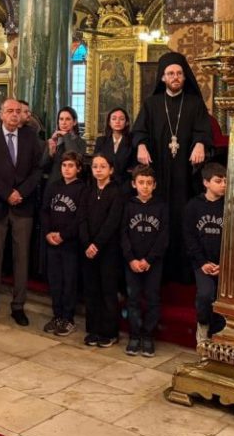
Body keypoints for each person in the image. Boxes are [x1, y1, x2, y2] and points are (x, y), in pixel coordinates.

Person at [131, 51, 212, 281]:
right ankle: (158, 269)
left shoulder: (195, 103)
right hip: (158, 170)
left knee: (183, 215)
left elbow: (204, 132)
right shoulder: (152, 103)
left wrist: (199, 143)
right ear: (163, 78)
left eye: (179, 73)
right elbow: (139, 131)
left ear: (185, 77)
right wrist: (141, 145)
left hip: (185, 174)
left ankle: (184, 272)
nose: (175, 77)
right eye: (170, 74)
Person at [0, 98, 44, 327]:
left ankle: (18, 306)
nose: (15, 115)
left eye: (18, 111)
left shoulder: (30, 137)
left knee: (21, 258)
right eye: (10, 111)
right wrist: (7, 193)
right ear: (1, 115)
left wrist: (20, 193)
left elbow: (38, 170)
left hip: (23, 207)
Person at [122, 164, 168, 357]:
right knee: (132, 298)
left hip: (153, 263)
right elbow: (123, 234)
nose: (145, 186)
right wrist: (131, 259)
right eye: (141, 182)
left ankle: (148, 337)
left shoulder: (161, 207)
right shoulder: (128, 206)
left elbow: (163, 236)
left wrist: (149, 259)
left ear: (155, 185)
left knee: (152, 299)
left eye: (149, 183)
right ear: (134, 184)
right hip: (131, 261)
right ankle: (134, 335)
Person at [80, 154, 125, 348]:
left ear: (111, 170)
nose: (98, 170)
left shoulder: (117, 192)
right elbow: (81, 218)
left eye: (103, 166)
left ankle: (109, 332)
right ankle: (93, 329)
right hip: (88, 249)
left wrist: (97, 244)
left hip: (108, 249)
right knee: (91, 290)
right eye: (95, 166)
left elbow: (112, 222)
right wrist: (86, 243)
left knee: (107, 290)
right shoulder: (87, 191)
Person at [40, 151, 84, 337]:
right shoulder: (54, 186)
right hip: (52, 242)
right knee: (55, 280)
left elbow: (80, 217)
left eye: (71, 166)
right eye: (64, 165)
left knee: (69, 281)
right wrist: (48, 232)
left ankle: (68, 318)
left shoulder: (82, 188)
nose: (67, 169)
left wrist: (63, 235)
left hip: (70, 244)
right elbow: (45, 211)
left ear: (79, 169)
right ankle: (57, 315)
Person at [184, 162, 227, 344]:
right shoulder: (193, 206)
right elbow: (190, 237)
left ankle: (218, 334)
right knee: (205, 295)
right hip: (202, 263)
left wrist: (224, 264)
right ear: (206, 183)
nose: (223, 184)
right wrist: (202, 262)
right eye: (218, 181)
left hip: (225, 263)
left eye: (225, 181)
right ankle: (203, 327)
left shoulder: (229, 206)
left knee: (222, 299)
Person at [43, 106, 86, 186]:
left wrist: (66, 136)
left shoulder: (81, 142)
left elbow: (74, 158)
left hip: (71, 185)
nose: (63, 122)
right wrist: (50, 152)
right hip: (53, 184)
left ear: (74, 122)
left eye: (68, 119)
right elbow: (43, 166)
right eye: (61, 119)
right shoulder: (54, 140)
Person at [94, 108, 136, 178]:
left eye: (121, 119)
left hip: (125, 183)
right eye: (114, 119)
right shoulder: (101, 141)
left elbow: (134, 166)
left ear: (126, 122)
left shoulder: (132, 140)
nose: (117, 121)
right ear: (109, 122)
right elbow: (96, 164)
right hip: (106, 181)